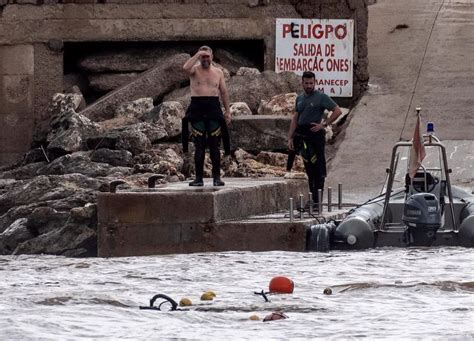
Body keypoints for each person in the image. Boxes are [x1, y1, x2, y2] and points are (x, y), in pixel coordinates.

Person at [287, 71, 342, 208]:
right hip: (302, 135)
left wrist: (324, 124)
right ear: (302, 83)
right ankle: (312, 199)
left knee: (318, 169)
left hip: (315, 135)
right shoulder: (299, 98)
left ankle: (318, 201)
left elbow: (337, 111)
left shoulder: (321, 97)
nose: (309, 86)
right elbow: (295, 118)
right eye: (307, 83)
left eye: (311, 83)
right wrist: (290, 137)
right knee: (309, 168)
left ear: (314, 83)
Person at [182, 46, 231, 186]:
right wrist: (198, 54)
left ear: (212, 56)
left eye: (207, 56)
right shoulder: (194, 70)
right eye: (203, 57)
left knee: (215, 145)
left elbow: (224, 92)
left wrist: (228, 111)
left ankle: (217, 177)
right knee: (199, 145)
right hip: (197, 107)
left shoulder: (218, 72)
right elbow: (185, 68)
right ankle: (198, 178)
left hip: (213, 108)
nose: (205, 59)